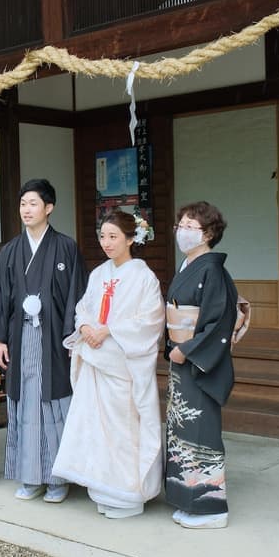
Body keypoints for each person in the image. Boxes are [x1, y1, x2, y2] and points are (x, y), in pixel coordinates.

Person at [0, 178, 86, 504]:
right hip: (20, 337)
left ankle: (58, 478)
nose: (27, 209)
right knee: (23, 405)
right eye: (23, 204)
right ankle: (29, 476)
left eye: (33, 203)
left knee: (54, 403)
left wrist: (71, 337)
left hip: (54, 339)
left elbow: (76, 296)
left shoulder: (66, 247)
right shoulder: (10, 251)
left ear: (49, 208)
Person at [51, 210, 165, 518]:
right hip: (95, 360)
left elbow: (150, 322)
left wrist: (109, 330)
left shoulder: (144, 277)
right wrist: (86, 327)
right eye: (103, 236)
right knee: (95, 427)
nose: (106, 242)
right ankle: (101, 486)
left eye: (113, 236)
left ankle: (128, 492)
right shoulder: (99, 273)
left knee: (123, 428)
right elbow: (84, 307)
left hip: (122, 363)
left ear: (131, 239)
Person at [164, 201, 238, 529]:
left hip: (196, 359)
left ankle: (211, 509)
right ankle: (188, 500)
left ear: (207, 233)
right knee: (182, 431)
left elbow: (220, 320)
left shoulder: (211, 269)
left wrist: (188, 349)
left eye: (190, 226)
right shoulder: (189, 265)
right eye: (180, 224)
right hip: (181, 356)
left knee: (201, 431)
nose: (182, 230)